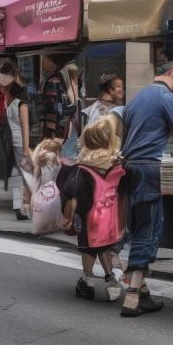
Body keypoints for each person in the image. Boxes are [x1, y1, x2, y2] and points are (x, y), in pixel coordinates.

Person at [120, 61, 173, 317]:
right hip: (150, 169)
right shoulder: (167, 97)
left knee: (139, 225)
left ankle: (144, 295)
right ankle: (131, 297)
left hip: (130, 168)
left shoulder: (137, 97)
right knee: (149, 229)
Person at [62, 116, 125, 302]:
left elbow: (73, 193)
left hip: (89, 215)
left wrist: (67, 215)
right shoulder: (118, 163)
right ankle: (110, 279)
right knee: (105, 246)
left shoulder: (84, 168)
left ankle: (87, 282)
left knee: (89, 249)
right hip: (112, 215)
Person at [0, 61, 32, 218]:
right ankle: (21, 209)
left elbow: (25, 126)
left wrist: (26, 147)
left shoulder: (19, 103)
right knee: (21, 177)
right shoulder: (12, 101)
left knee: (21, 176)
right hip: (15, 143)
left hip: (18, 144)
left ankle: (21, 208)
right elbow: (23, 126)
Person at [41, 53, 73, 141]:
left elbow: (52, 108)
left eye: (44, 58)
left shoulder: (53, 81)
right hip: (63, 125)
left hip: (54, 129)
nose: (42, 61)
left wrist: (50, 133)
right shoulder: (61, 76)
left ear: (50, 60)